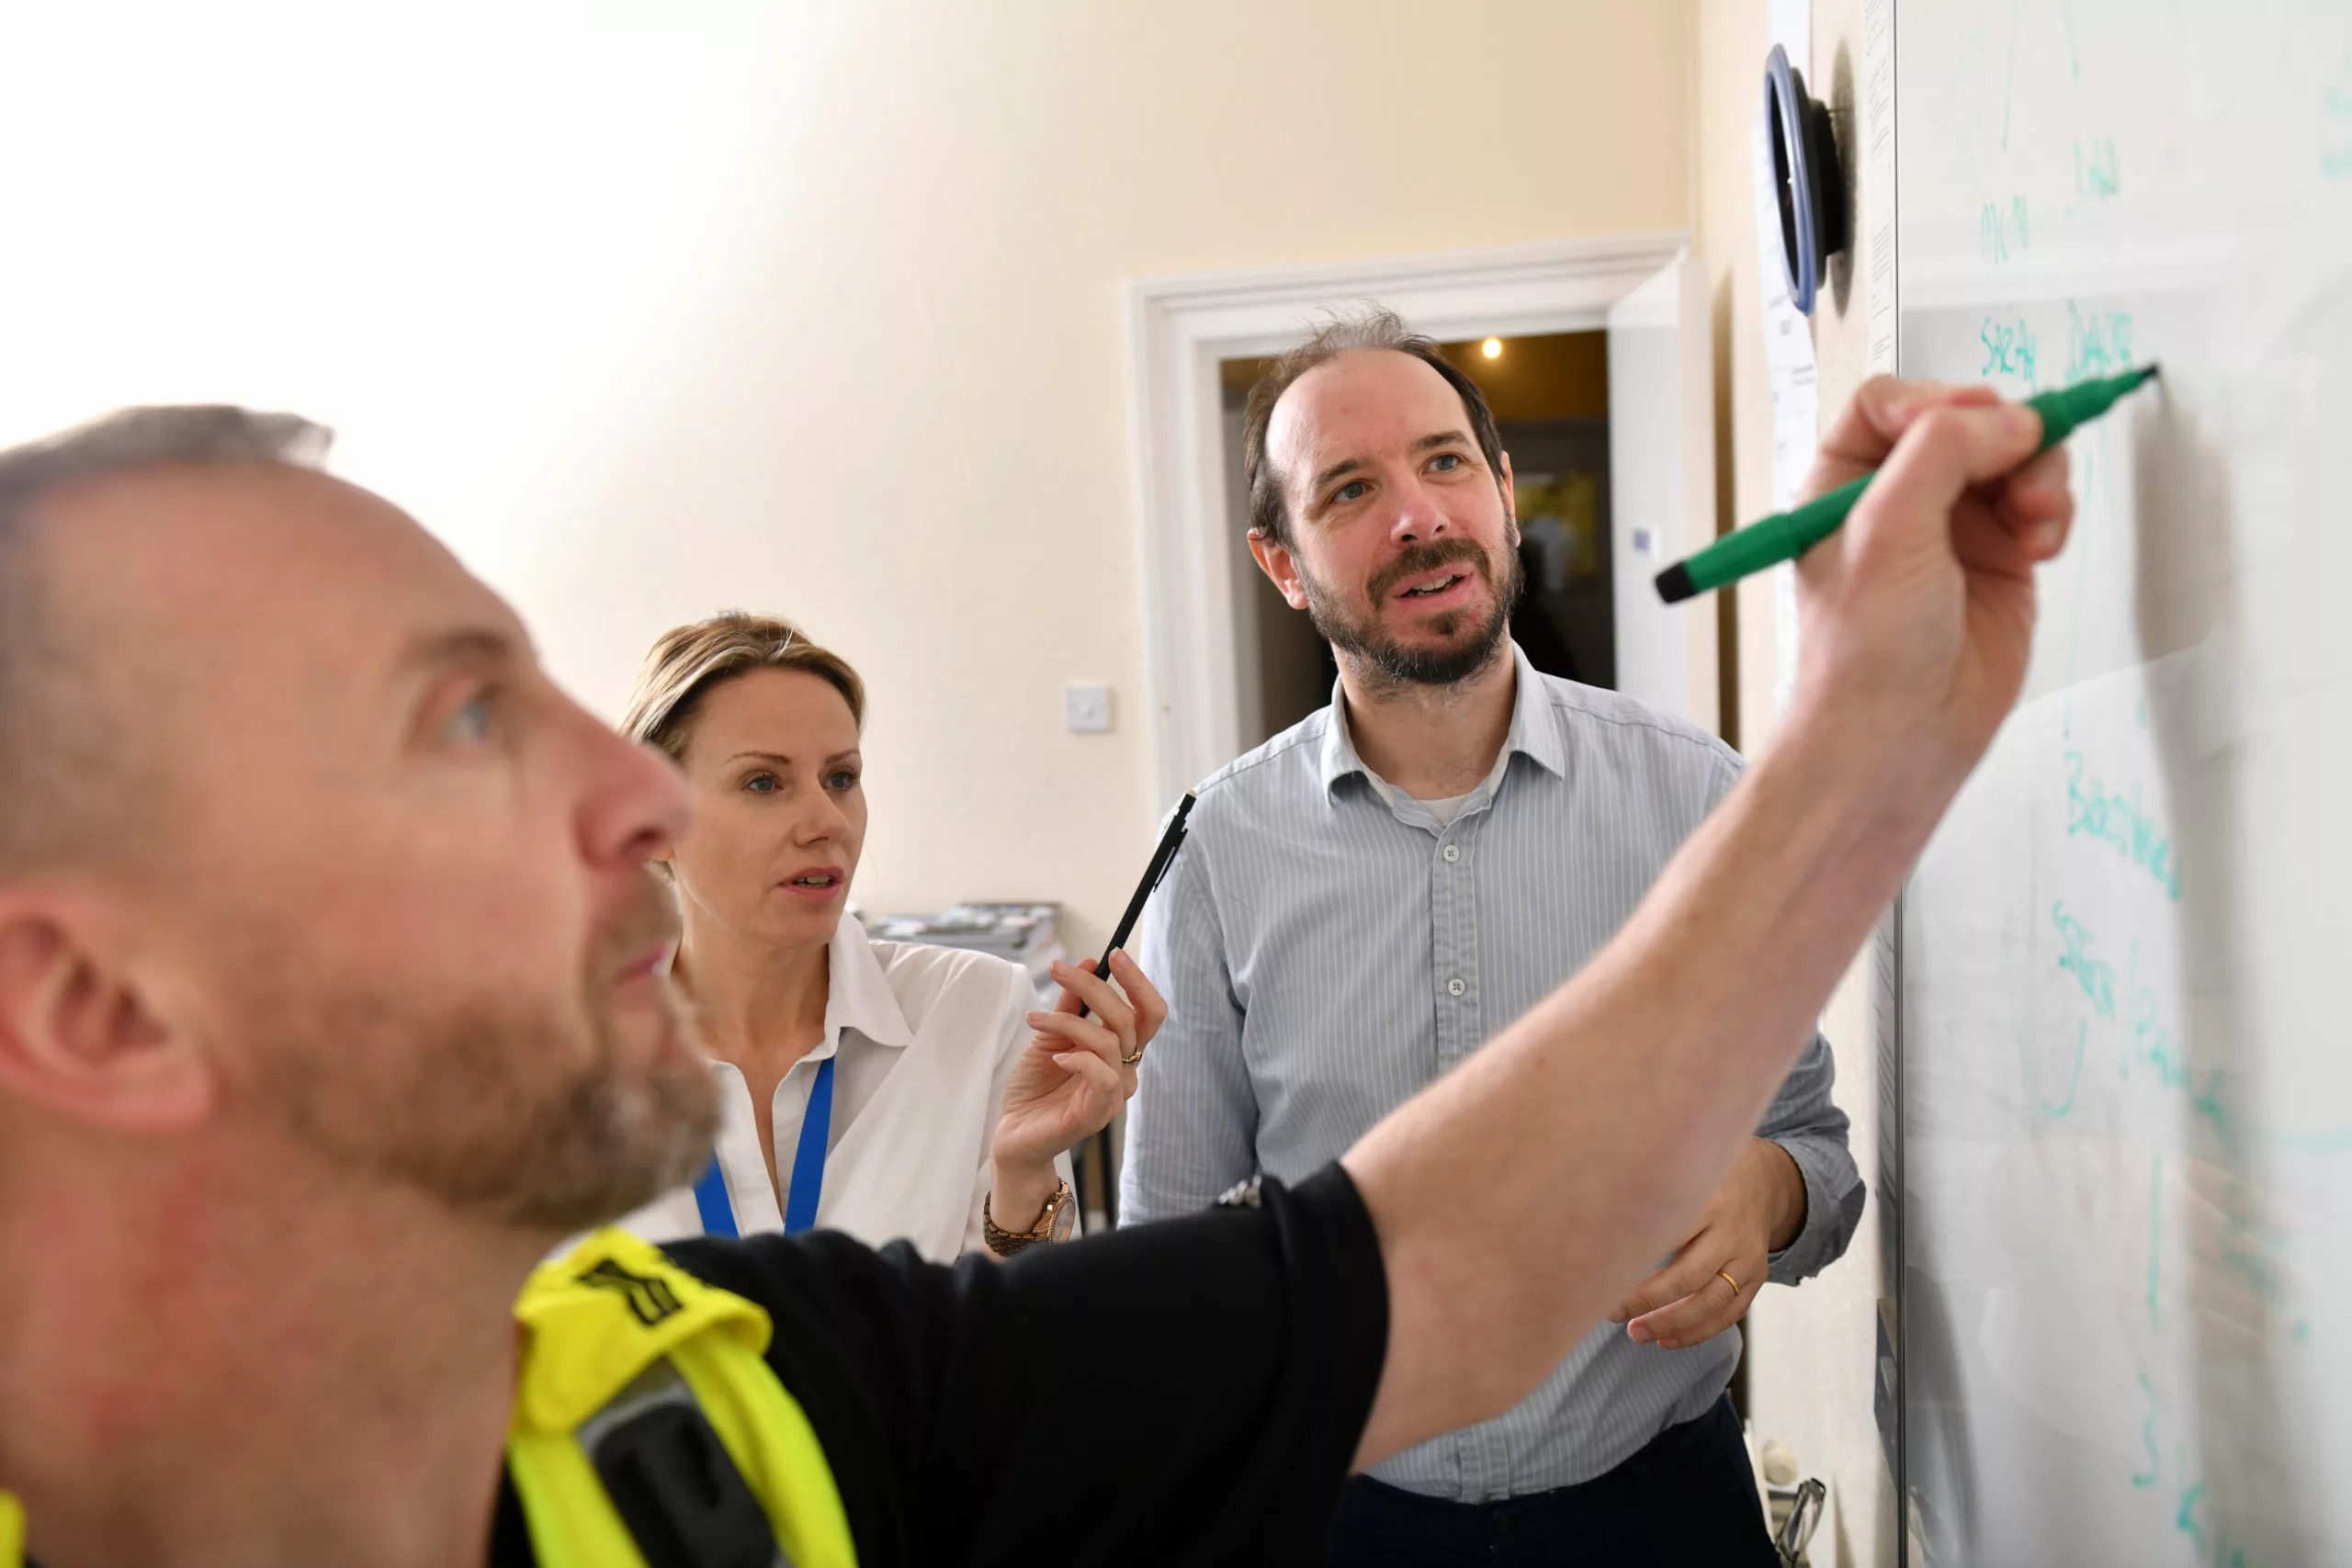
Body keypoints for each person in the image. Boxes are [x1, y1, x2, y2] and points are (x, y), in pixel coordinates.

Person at [0, 380, 2071, 1567]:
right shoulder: (1225, 842)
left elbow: (1415, 1271)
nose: (643, 813)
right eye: (458, 721)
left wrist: (1862, 741)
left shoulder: (740, 1377)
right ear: (94, 998)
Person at [1121, 306, 1863, 1564]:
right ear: (1284, 563)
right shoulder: (1218, 849)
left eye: (1445, 461)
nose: (1417, 515)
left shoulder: (1698, 798)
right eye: (1351, 488)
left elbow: (1818, 1159)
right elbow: (1171, 1248)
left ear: (1506, 493)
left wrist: (1764, 1189)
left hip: (1661, 1509)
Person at [609, 613, 1151, 1260]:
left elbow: (1022, 1341)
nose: (825, 820)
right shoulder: (560, 1058)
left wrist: (1024, 1175)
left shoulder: (973, 1011)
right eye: (763, 782)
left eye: (841, 777)